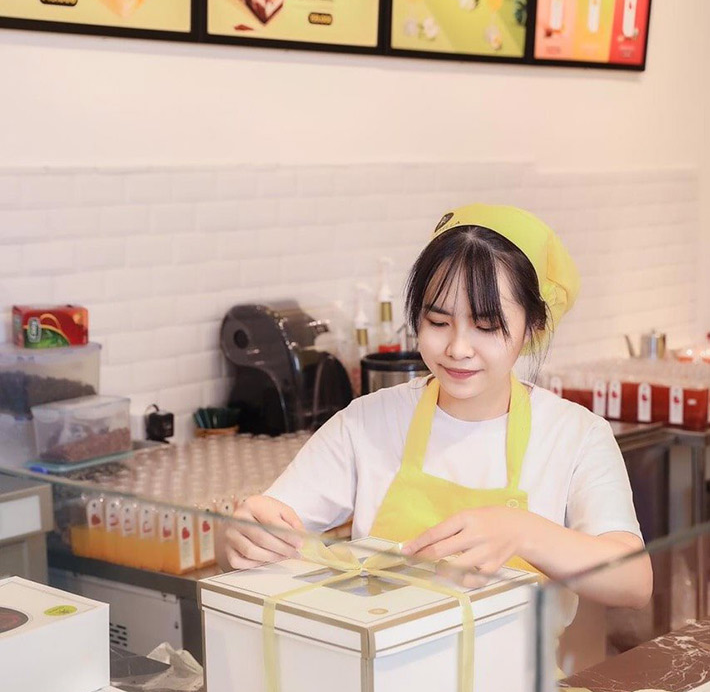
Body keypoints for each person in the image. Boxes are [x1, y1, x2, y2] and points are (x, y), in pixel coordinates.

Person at [217, 203, 652, 613]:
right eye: (438, 322)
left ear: (533, 327)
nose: (457, 348)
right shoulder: (367, 423)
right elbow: (265, 530)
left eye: (486, 326)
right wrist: (240, 538)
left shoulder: (575, 435)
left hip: (512, 668)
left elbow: (634, 583)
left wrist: (526, 533)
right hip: (385, 664)